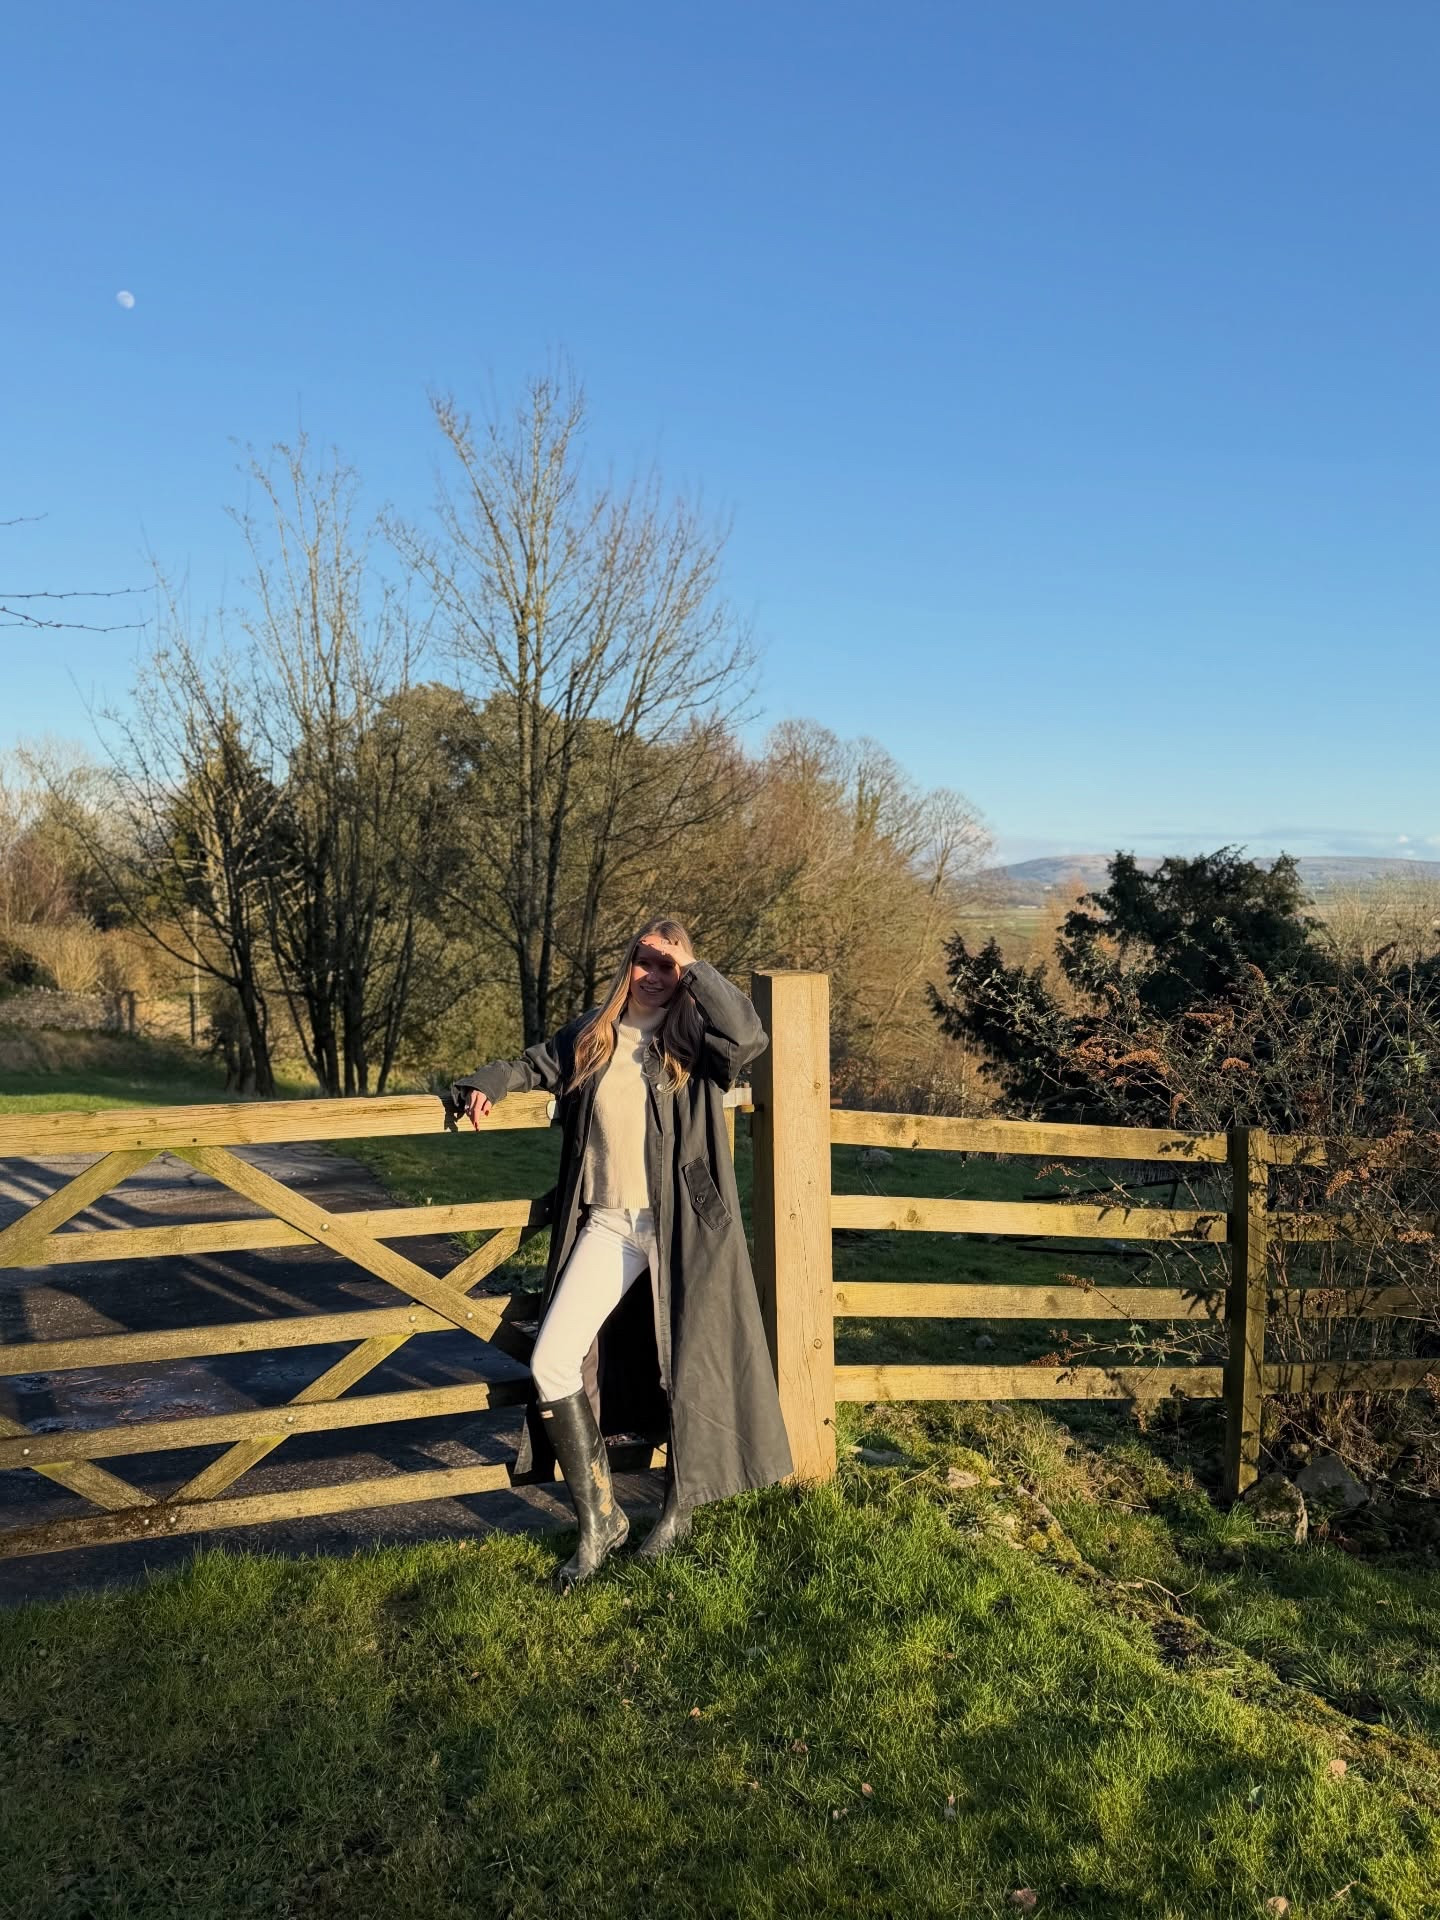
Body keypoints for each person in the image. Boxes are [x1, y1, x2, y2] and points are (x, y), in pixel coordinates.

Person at [450, 920, 793, 1590]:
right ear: (627, 963)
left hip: (685, 1228)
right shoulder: (594, 1034)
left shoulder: (694, 1037)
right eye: (646, 961)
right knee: (554, 1360)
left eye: (669, 965)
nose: (655, 975)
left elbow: (750, 1037)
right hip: (609, 1225)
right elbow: (529, 1065)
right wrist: (485, 1082)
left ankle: (678, 1508)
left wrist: (696, 969)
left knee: (685, 1369)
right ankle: (601, 1520)